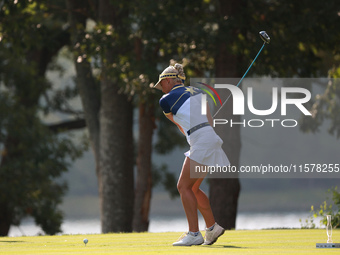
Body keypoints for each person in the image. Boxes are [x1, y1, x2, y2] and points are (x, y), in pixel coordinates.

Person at [153, 63, 230, 246]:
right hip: (210, 137)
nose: (160, 88)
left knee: (183, 187)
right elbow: (210, 121)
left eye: (161, 84)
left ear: (169, 81)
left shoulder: (165, 100)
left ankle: (194, 233)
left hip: (201, 140)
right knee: (193, 188)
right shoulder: (199, 91)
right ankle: (212, 228)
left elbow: (180, 126)